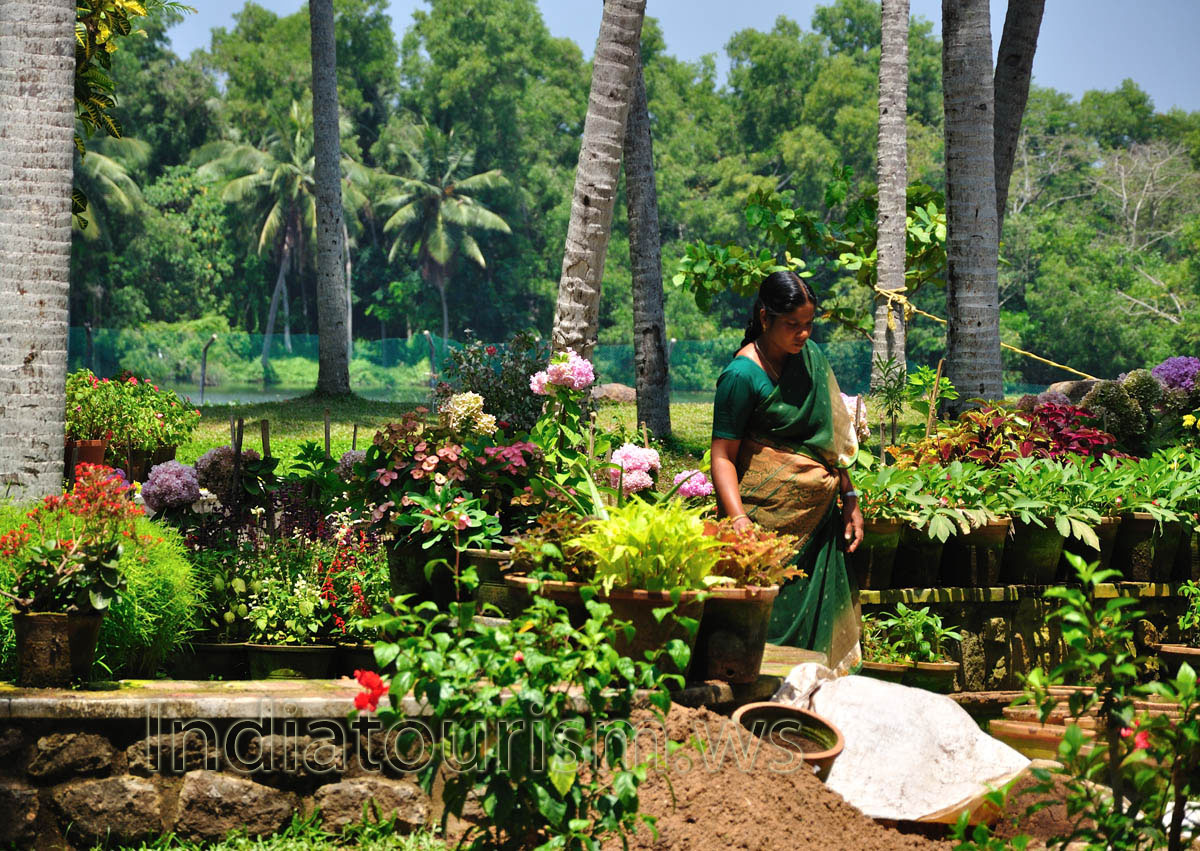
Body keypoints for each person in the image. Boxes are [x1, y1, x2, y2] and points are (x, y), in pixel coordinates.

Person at [709, 270, 864, 674]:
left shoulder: (811, 362)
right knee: (767, 628)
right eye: (792, 325)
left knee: (818, 628)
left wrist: (850, 499)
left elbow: (831, 446)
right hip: (763, 530)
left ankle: (820, 709)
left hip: (819, 530)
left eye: (809, 324)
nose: (804, 335)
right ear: (765, 319)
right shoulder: (741, 377)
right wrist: (738, 520)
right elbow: (723, 455)